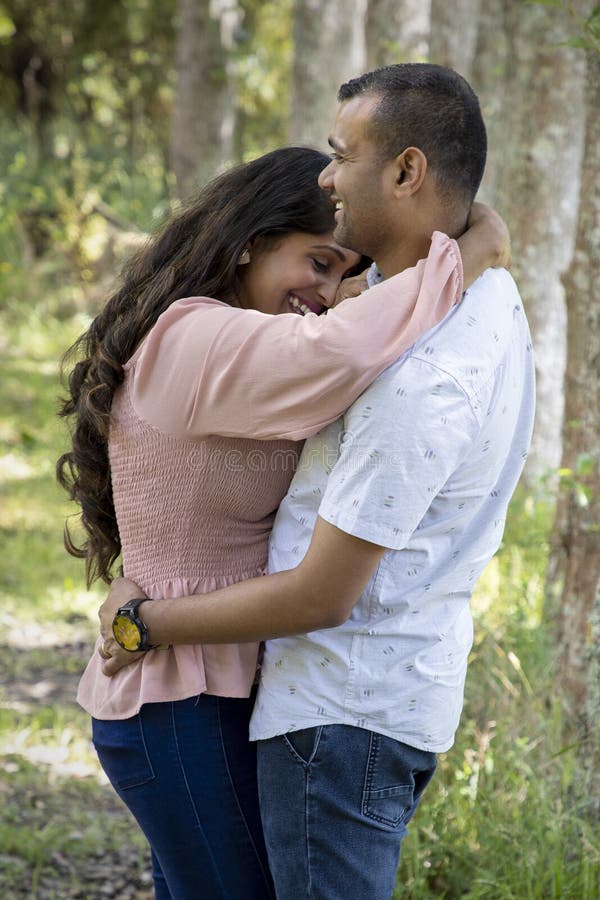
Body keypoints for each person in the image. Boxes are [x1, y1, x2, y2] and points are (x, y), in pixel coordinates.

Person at [99, 64, 535, 899]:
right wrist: (470, 248)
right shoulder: (203, 337)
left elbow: (354, 336)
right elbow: (340, 347)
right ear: (247, 243)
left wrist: (145, 616)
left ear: (406, 172)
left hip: (251, 687)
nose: (332, 293)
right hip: (183, 693)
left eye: (345, 270)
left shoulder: (408, 361)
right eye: (319, 261)